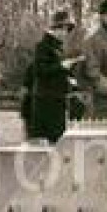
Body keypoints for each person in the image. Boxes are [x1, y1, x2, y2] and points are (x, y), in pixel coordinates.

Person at [20, 11, 79, 143]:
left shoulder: (57, 47)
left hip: (57, 102)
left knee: (57, 142)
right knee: (46, 145)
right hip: (45, 104)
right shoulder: (43, 46)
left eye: (67, 30)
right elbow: (41, 71)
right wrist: (63, 66)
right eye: (64, 29)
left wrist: (70, 78)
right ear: (56, 29)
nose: (66, 33)